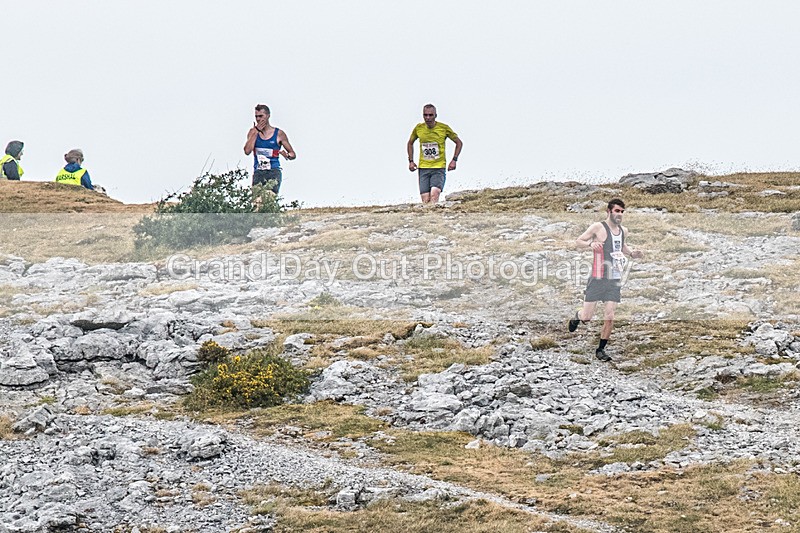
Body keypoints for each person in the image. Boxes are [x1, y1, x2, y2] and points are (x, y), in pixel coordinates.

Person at [568, 198, 644, 362]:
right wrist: (590, 245)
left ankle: (601, 349)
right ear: (609, 211)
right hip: (597, 277)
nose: (620, 214)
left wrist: (631, 253)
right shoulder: (598, 227)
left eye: (622, 212)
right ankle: (577, 316)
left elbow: (621, 246)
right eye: (617, 211)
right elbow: (578, 241)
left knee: (610, 314)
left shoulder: (624, 230)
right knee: (587, 317)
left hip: (614, 279)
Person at [407, 104, 463, 204]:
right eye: (425, 115)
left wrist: (454, 160)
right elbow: (410, 143)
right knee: (425, 200)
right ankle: (429, 217)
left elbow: (459, 143)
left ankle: (434, 216)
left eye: (430, 115)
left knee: (434, 193)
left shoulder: (443, 128)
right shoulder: (418, 128)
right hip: (423, 168)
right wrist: (411, 161)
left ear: (435, 115)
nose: (428, 118)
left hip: (438, 167)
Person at [243, 104, 296, 194]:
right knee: (257, 202)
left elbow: (292, 154)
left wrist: (287, 155)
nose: (259, 119)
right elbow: (247, 151)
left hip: (273, 171)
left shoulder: (279, 133)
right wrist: (256, 132)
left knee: (269, 197)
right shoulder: (252, 132)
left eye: (261, 116)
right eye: (256, 116)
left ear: (268, 116)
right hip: (258, 172)